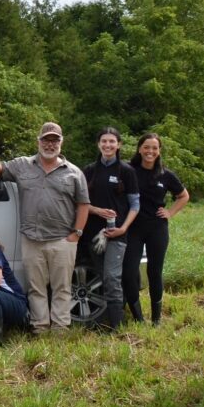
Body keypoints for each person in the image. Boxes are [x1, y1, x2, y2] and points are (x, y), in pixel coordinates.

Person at [0, 122, 90, 333]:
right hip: (31, 239)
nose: (50, 144)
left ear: (61, 142)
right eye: (46, 140)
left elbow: (83, 205)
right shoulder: (22, 165)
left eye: (54, 140)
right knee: (36, 288)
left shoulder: (74, 172)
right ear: (38, 141)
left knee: (62, 288)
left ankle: (60, 329)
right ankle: (40, 328)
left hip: (62, 240)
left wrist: (76, 234)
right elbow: (1, 167)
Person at [123, 133, 190, 325]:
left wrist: (170, 212)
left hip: (157, 229)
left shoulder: (166, 174)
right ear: (139, 149)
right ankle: (138, 318)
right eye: (146, 147)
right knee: (128, 273)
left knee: (154, 272)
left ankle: (156, 319)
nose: (150, 151)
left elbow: (184, 196)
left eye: (154, 148)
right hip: (133, 229)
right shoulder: (129, 170)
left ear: (159, 151)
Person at [81, 127, 139, 331]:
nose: (108, 145)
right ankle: (102, 321)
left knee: (112, 277)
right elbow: (80, 203)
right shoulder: (89, 170)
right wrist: (96, 210)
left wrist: (123, 228)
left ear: (119, 145)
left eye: (112, 142)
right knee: (101, 277)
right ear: (98, 144)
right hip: (93, 234)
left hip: (117, 234)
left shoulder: (127, 171)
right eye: (104, 141)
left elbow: (135, 205)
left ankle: (118, 326)